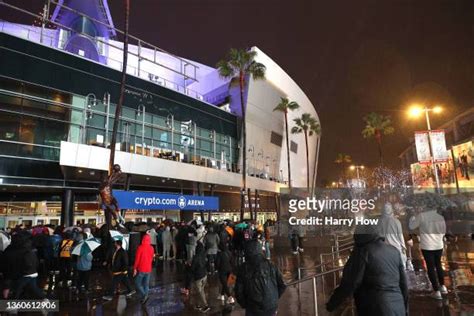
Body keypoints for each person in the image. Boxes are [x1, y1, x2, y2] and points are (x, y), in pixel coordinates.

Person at [326, 224, 408, 315]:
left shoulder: (362, 252)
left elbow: (351, 282)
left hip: (374, 307)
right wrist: (405, 309)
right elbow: (403, 283)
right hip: (398, 306)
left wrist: (332, 304)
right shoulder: (394, 251)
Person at [235, 240, 286, 316]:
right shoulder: (271, 265)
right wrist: (274, 298)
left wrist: (245, 304)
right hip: (271, 306)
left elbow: (239, 291)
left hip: (253, 308)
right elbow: (282, 284)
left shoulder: (243, 268)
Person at [409, 206, 447, 299]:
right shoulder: (440, 217)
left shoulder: (422, 216)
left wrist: (412, 219)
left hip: (427, 246)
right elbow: (443, 232)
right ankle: (443, 287)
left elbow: (411, 226)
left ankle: (436, 291)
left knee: (430, 267)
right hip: (438, 245)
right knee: (438, 265)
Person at [2, 231, 46, 300]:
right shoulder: (28, 249)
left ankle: (13, 306)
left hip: (22, 274)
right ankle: (44, 300)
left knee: (17, 289)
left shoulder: (10, 249)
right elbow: (33, 262)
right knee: (32, 288)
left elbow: (6, 261)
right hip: (30, 272)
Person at [377, 202, 407, 269]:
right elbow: (400, 236)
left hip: (384, 249)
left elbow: (378, 236)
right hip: (396, 248)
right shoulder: (396, 221)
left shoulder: (379, 221)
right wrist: (403, 247)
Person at [133, 234, 154, 304]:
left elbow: (137, 259)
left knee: (137, 283)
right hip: (149, 268)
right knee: (146, 284)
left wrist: (135, 268)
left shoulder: (140, 247)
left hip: (141, 268)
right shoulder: (151, 248)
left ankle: (145, 295)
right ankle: (145, 296)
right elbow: (151, 258)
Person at [191, 242, 210, 313]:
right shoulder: (204, 255)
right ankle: (198, 304)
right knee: (200, 290)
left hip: (198, 276)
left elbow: (192, 268)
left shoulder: (196, 257)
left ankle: (206, 305)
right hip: (204, 275)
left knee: (200, 291)